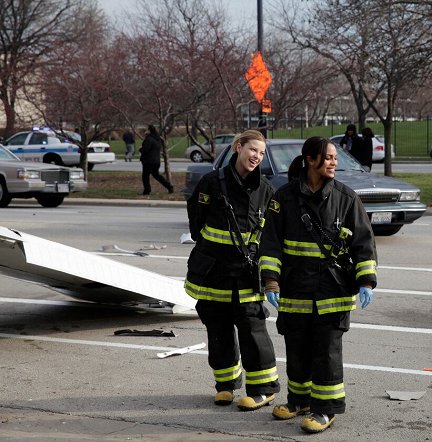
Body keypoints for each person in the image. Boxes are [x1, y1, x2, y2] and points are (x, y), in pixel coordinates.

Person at [259, 136, 377, 434]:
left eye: (335, 157)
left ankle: (326, 409)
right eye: (328, 157)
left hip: (331, 291)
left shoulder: (346, 197)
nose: (333, 162)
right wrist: (271, 281)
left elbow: (364, 243)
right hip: (295, 289)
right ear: (311, 160)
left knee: (326, 351)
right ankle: (300, 400)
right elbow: (270, 243)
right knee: (297, 347)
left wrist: (366, 281)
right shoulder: (283, 198)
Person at [185, 129, 280, 411]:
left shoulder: (266, 190)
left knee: (253, 330)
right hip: (213, 272)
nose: (257, 157)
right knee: (218, 329)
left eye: (262, 153)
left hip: (246, 275)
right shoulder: (210, 182)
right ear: (238, 147)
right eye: (253, 150)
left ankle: (264, 390)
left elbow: (271, 237)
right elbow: (196, 223)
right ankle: (225, 385)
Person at [139, 125, 174, 195]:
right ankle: (169, 186)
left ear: (149, 130)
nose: (145, 131)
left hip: (148, 161)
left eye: (146, 130)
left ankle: (147, 190)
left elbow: (145, 150)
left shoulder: (149, 139)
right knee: (157, 175)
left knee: (145, 176)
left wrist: (140, 149)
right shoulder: (157, 139)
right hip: (156, 161)